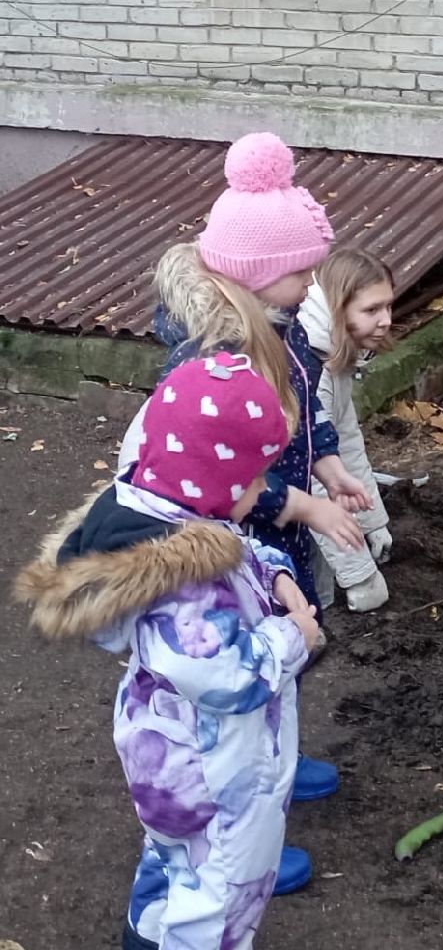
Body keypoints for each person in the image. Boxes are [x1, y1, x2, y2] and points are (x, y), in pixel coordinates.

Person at [15, 352, 319, 950]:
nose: (261, 493)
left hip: (171, 755)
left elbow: (238, 551)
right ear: (213, 480)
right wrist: (293, 636)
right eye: (255, 480)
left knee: (176, 861)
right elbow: (225, 676)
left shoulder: (164, 515)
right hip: (216, 769)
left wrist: (276, 571)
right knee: (221, 895)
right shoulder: (187, 582)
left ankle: (147, 935)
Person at [119, 132, 367, 830]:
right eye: (300, 275)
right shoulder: (211, 357)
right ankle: (242, 807)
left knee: (290, 637)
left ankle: (275, 759)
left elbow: (302, 407)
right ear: (257, 274)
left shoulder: (274, 325)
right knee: (246, 663)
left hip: (272, 526)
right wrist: (305, 507)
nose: (310, 287)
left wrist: (325, 462)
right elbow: (204, 482)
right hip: (229, 538)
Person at [298, 246, 395, 612]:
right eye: (371, 310)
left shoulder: (333, 358)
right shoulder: (310, 370)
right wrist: (361, 576)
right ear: (337, 310)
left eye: (387, 305)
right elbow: (316, 480)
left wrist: (374, 523)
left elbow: (347, 443)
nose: (385, 319)